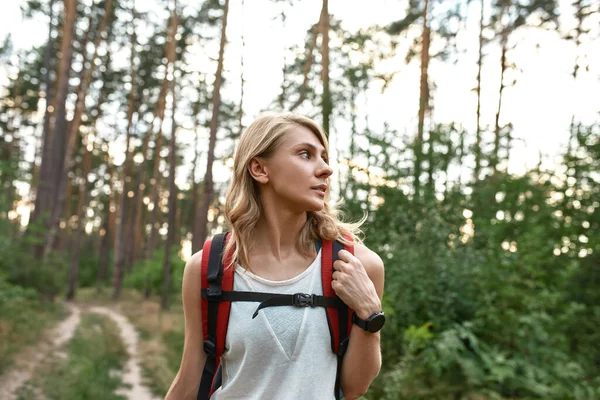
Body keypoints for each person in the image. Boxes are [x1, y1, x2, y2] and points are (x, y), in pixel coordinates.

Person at [165, 112, 385, 400]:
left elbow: (355, 387)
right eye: (305, 154)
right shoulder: (209, 267)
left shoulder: (355, 266)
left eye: (324, 157)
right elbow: (190, 380)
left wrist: (369, 312)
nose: (325, 170)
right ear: (259, 169)